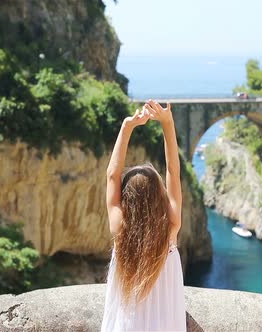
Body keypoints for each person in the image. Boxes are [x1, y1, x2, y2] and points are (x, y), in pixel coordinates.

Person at [101, 100, 186, 331]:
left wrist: (127, 127)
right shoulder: (171, 226)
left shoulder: (120, 228)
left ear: (126, 199)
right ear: (160, 196)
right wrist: (167, 123)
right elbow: (173, 171)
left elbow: (112, 175)